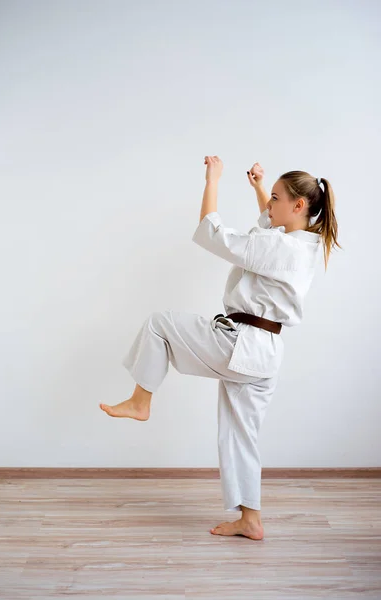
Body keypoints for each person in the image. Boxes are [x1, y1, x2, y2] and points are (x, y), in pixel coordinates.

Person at [99, 157, 342, 540]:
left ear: (298, 206)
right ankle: (251, 519)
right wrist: (262, 188)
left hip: (241, 343)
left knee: (159, 323)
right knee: (241, 435)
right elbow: (271, 221)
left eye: (276, 198)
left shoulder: (281, 249)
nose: (268, 204)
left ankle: (140, 399)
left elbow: (212, 234)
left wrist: (212, 180)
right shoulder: (300, 246)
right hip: (265, 353)